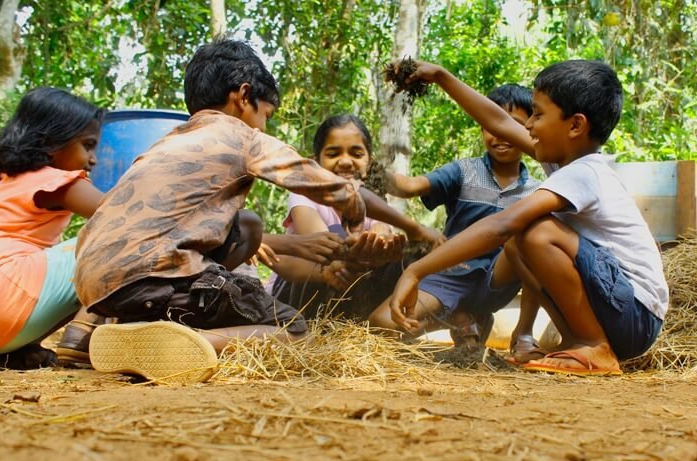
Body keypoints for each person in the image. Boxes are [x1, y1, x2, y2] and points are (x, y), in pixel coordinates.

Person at [74, 38, 366, 384]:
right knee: (295, 329)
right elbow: (308, 174)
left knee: (242, 225)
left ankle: (125, 334)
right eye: (266, 115)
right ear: (243, 97)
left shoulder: (162, 145)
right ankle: (194, 343)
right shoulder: (241, 136)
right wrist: (352, 202)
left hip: (97, 286)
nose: (264, 126)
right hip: (156, 277)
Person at [389, 60, 668, 376]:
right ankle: (578, 340)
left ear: (575, 126)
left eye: (537, 114)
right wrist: (441, 77)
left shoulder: (584, 173)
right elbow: (497, 121)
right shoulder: (566, 162)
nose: (529, 126)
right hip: (625, 315)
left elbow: (502, 224)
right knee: (518, 243)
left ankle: (594, 345)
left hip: (636, 316)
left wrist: (416, 270)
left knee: (532, 230)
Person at [367, 84, 541, 346]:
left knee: (531, 240)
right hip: (451, 274)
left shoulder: (537, 190)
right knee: (381, 324)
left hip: (498, 280)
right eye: (491, 127)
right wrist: (371, 170)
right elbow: (410, 186)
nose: (500, 135)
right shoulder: (464, 171)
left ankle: (523, 335)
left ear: (528, 129)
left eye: (511, 126)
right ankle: (461, 317)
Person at [264, 113, 444, 320]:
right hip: (300, 295)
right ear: (315, 163)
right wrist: (356, 248)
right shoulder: (303, 196)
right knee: (328, 261)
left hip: (348, 287)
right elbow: (324, 242)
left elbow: (381, 231)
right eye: (333, 154)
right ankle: (309, 330)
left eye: (356, 154)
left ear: (369, 163)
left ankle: (383, 324)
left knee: (405, 259)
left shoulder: (375, 201)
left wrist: (380, 245)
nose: (346, 162)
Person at [0, 87, 106, 369]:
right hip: (5, 294)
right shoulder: (56, 181)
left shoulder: (4, 179)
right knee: (111, 235)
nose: (93, 159)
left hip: (5, 312)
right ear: (50, 143)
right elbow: (124, 215)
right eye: (88, 145)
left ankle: (16, 351)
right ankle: (80, 338)